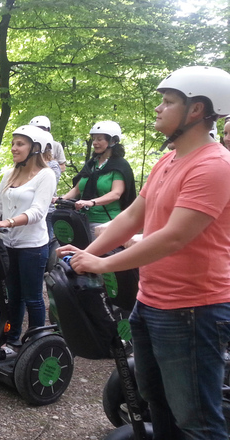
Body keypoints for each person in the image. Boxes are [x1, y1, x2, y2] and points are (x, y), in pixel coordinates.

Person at [58, 66, 230, 439]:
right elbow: (135, 217)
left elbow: (172, 238)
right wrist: (87, 252)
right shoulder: (167, 161)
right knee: (157, 402)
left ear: (197, 110)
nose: (158, 108)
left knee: (197, 418)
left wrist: (103, 264)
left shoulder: (214, 166)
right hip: (150, 302)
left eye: (168, 102)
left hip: (193, 310)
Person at [0, 125, 56, 351]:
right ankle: (13, 339)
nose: (14, 148)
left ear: (36, 148)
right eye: (13, 143)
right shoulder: (9, 174)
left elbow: (38, 212)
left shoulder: (46, 175)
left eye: (20, 144)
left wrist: (7, 222)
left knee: (32, 296)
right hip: (8, 244)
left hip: (32, 246)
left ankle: (35, 341)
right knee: (13, 295)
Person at [59, 120, 136, 235]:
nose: (95, 143)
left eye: (99, 139)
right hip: (83, 220)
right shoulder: (91, 164)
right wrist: (61, 199)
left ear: (113, 141)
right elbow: (77, 189)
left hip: (107, 223)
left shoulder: (120, 165)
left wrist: (92, 202)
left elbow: (116, 193)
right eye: (94, 139)